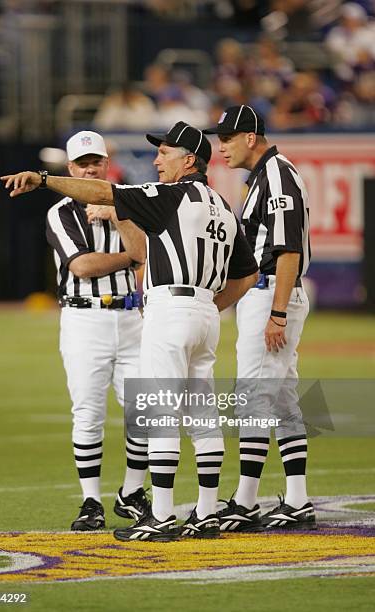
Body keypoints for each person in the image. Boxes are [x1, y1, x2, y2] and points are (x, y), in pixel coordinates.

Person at [1, 121, 258, 542]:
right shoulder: (223, 205)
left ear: (189, 159)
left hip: (169, 310)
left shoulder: (172, 195)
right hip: (205, 313)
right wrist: (209, 306)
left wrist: (45, 179)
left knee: (158, 413)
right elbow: (246, 275)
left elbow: (108, 195)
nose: (156, 160)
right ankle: (206, 512)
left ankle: (159, 513)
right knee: (202, 415)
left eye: (165, 153)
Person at [204, 105, 315, 531]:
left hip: (271, 292)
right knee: (284, 397)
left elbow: (288, 250)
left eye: (227, 139)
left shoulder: (276, 175)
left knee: (253, 396)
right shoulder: (263, 177)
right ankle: (298, 500)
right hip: (265, 291)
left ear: (250, 137)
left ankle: (246, 500)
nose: (221, 148)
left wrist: (278, 313)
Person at [44, 130, 150, 531]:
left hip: (131, 317)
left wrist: (118, 214)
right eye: (82, 163)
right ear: (70, 169)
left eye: (96, 161)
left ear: (107, 163)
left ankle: (132, 492)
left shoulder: (129, 200)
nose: (91, 168)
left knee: (144, 410)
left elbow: (144, 250)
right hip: (84, 317)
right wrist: (127, 257)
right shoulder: (61, 212)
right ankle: (90, 501)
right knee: (87, 412)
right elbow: (82, 267)